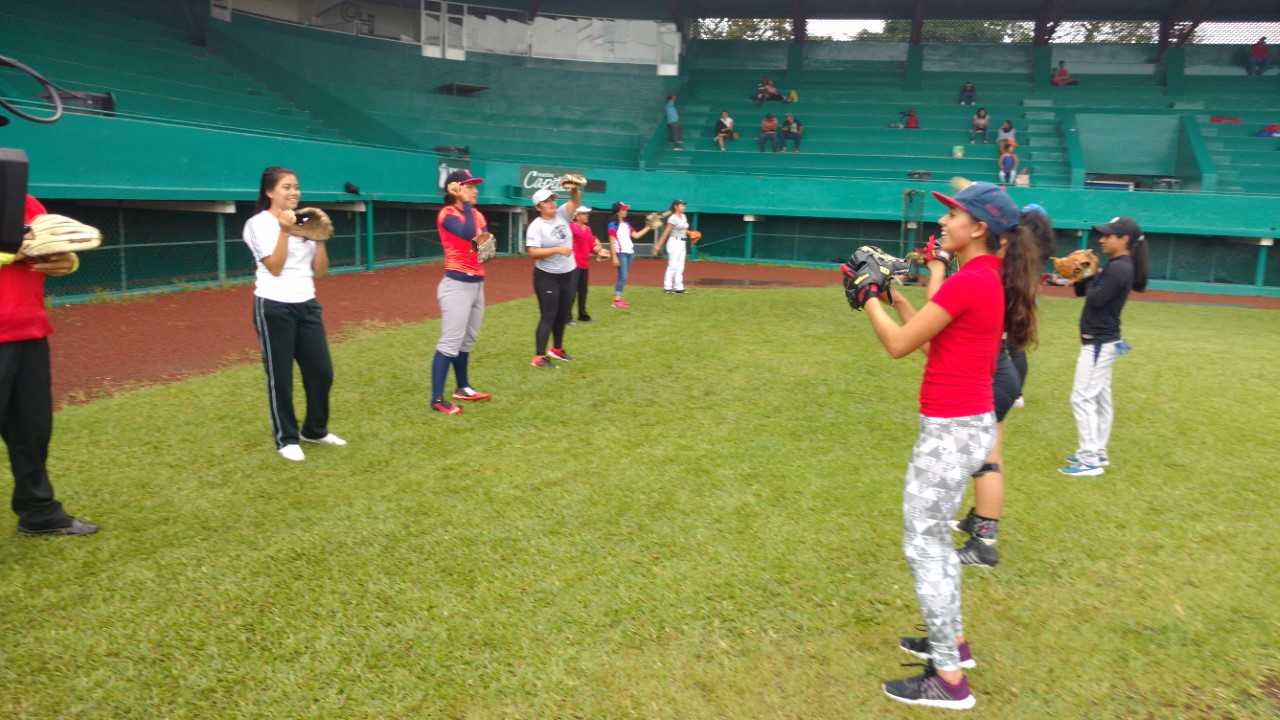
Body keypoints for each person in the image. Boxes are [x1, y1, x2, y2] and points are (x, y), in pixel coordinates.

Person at [850, 181, 1024, 710]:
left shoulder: (971, 281)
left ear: (980, 230)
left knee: (923, 545)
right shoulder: (980, 277)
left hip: (951, 430)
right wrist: (893, 294)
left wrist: (866, 297)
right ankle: (954, 644)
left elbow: (901, 345)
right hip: (963, 425)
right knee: (934, 545)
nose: (943, 223)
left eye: (954, 216)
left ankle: (948, 679)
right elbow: (933, 340)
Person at [917, 203, 1056, 569]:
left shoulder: (995, 272)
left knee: (987, 457)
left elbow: (937, 318)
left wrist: (938, 268)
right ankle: (979, 524)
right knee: (987, 452)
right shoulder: (1008, 270)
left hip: (998, 371)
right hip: (1004, 366)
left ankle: (984, 541)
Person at [0, 195, 97, 535]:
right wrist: (15, 252)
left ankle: (38, 512)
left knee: (32, 432)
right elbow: (19, 251)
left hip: (28, 332)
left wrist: (66, 261)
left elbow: (50, 247)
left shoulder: (23, 200)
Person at [243, 166, 345, 462]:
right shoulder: (257, 224)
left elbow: (321, 271)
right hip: (274, 305)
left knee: (322, 372)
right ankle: (286, 438)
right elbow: (274, 267)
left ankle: (315, 430)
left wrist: (320, 237)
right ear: (269, 192)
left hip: (307, 304)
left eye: (296, 187)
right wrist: (286, 232)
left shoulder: (306, 220)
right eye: (286, 187)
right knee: (280, 376)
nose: (294, 192)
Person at [1060, 217, 1148, 477]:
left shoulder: (1120, 268)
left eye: (1109, 235)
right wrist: (1084, 275)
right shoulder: (1116, 265)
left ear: (1124, 240)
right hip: (1102, 340)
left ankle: (1089, 460)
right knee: (1099, 398)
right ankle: (1097, 452)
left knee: (1082, 397)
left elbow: (1096, 299)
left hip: (1099, 342)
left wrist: (1087, 272)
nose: (1102, 239)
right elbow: (1083, 293)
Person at [429, 169, 492, 416]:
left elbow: (484, 251)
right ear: (455, 189)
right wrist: (465, 205)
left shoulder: (477, 214)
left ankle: (463, 387)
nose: (475, 190)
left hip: (477, 283)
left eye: (475, 186)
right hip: (456, 286)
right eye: (469, 186)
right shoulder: (447, 213)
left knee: (468, 339)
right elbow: (467, 233)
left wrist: (484, 247)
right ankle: (436, 399)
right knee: (450, 342)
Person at [525, 182, 581, 369]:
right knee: (548, 315)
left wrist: (574, 189)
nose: (551, 203)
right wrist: (556, 249)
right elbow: (532, 252)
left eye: (552, 199)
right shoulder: (536, 226)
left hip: (569, 273)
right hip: (546, 276)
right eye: (546, 201)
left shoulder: (562, 215)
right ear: (538, 207)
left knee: (563, 314)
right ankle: (539, 357)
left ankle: (557, 349)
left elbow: (575, 201)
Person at [606, 202, 652, 309]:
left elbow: (636, 235)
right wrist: (614, 257)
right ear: (618, 211)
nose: (626, 211)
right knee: (623, 276)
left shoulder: (627, 224)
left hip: (630, 253)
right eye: (623, 209)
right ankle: (616, 301)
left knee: (622, 276)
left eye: (626, 209)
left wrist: (648, 227)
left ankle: (618, 298)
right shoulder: (613, 224)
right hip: (620, 253)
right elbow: (611, 241)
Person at [570, 206, 608, 322]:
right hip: (572, 264)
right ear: (577, 216)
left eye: (587, 214)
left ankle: (582, 314)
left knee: (583, 291)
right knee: (571, 291)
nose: (587, 216)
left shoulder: (588, 229)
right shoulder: (571, 227)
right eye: (584, 214)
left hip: (584, 264)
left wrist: (600, 251)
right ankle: (566, 317)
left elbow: (591, 246)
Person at [652, 199, 695, 294]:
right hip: (674, 242)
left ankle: (678, 287)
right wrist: (658, 245)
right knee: (672, 265)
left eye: (684, 205)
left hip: (682, 243)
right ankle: (667, 287)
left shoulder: (684, 216)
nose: (684, 207)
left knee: (681, 266)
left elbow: (684, 230)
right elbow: (666, 232)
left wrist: (691, 233)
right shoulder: (672, 218)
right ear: (676, 207)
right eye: (681, 205)